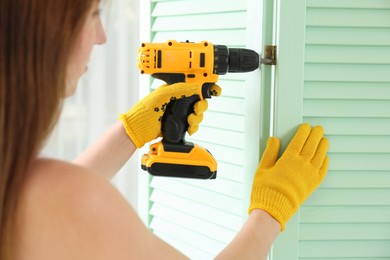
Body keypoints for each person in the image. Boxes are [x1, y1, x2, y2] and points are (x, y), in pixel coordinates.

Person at [0, 0, 329, 259]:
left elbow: (54, 202)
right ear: (46, 31)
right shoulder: (63, 199)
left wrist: (133, 130)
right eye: (93, 14)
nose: (102, 36)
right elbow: (63, 201)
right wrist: (271, 211)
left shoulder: (19, 185)